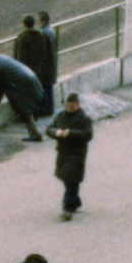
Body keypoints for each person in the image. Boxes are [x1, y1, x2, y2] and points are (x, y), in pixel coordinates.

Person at [0, 49, 45, 142]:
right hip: (29, 78)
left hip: (23, 84)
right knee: (27, 108)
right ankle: (34, 132)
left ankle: (35, 134)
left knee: (24, 110)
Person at [47, 92, 94, 220]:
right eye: (67, 105)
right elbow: (49, 128)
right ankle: (75, 200)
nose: (69, 108)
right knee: (65, 178)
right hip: (63, 152)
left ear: (78, 105)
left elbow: (88, 134)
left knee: (72, 180)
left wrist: (70, 133)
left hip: (77, 153)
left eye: (72, 105)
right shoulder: (61, 116)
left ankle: (68, 208)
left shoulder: (84, 119)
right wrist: (57, 132)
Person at [12, 15, 54, 117]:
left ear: (24, 24)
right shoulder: (40, 35)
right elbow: (43, 52)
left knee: (26, 94)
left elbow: (20, 57)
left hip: (25, 70)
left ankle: (28, 115)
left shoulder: (23, 38)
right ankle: (38, 112)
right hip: (37, 68)